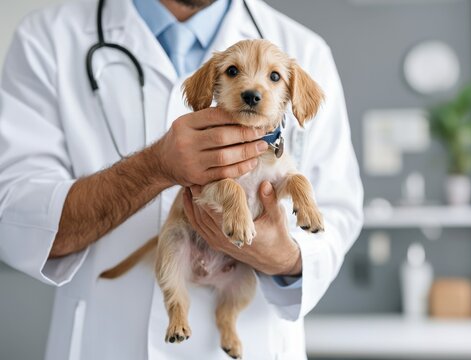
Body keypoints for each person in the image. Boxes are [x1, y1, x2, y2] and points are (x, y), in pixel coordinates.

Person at [0, 0, 363, 359]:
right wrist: (154, 167)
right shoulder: (46, 39)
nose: (254, 87)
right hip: (108, 343)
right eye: (234, 72)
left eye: (272, 77)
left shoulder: (306, 49)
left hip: (254, 340)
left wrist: (284, 257)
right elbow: (14, 215)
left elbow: (339, 213)